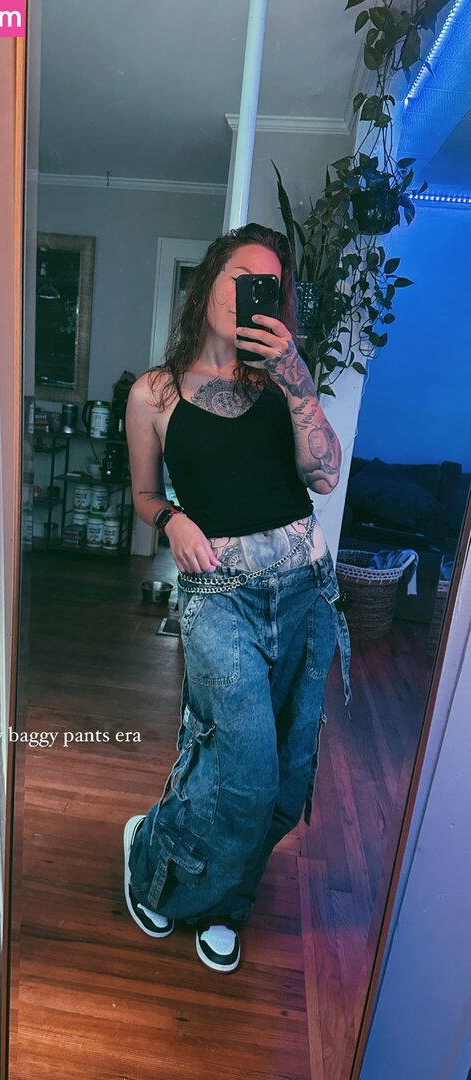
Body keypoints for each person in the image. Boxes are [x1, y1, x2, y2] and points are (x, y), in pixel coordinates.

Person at [123, 222, 351, 973]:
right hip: (220, 594)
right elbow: (144, 496)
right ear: (210, 283)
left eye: (269, 286)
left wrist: (298, 380)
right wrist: (174, 520)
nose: (254, 295)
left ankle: (226, 903)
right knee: (244, 775)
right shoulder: (155, 393)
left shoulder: (283, 380)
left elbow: (325, 476)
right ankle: (154, 856)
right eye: (241, 278)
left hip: (305, 586)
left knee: (286, 780)